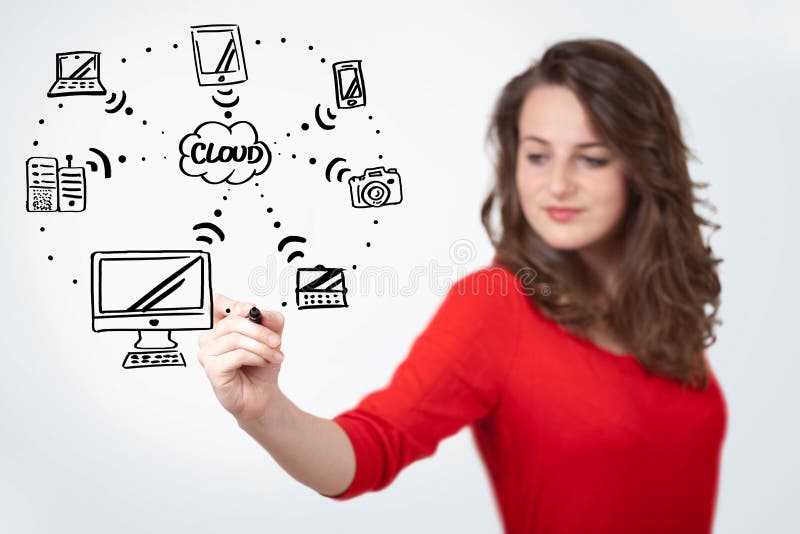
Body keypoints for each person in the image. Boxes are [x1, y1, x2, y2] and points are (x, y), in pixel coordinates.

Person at [198, 38, 727, 533]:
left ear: (643, 166)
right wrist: (266, 413)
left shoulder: (661, 305)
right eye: (538, 155)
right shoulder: (497, 307)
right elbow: (374, 446)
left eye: (591, 157)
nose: (558, 183)